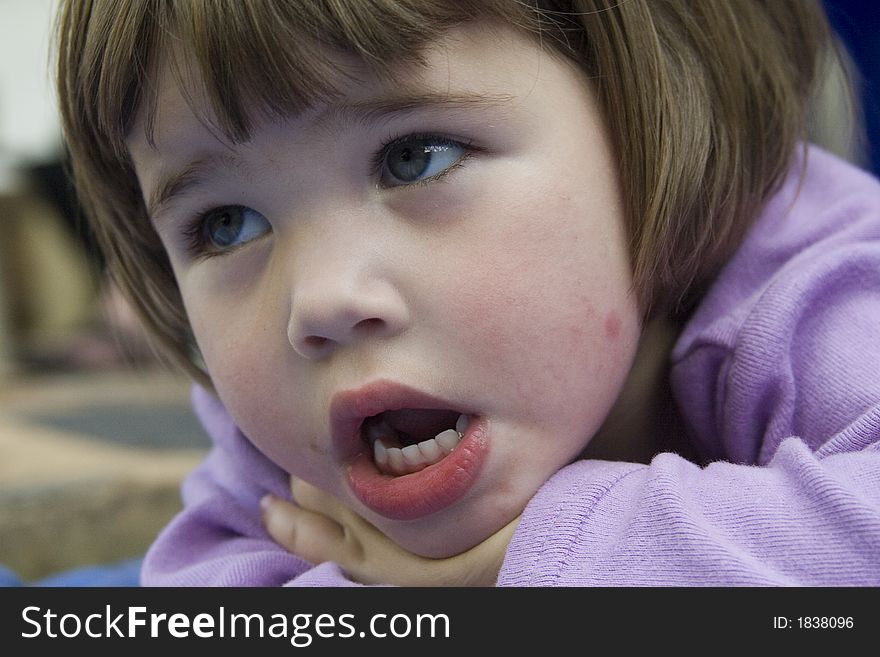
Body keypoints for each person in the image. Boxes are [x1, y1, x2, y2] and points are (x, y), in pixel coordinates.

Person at [53, 0, 880, 586]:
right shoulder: (280, 407)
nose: (319, 302)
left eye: (414, 157)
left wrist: (517, 571)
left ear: (647, 113)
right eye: (228, 224)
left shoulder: (818, 290)